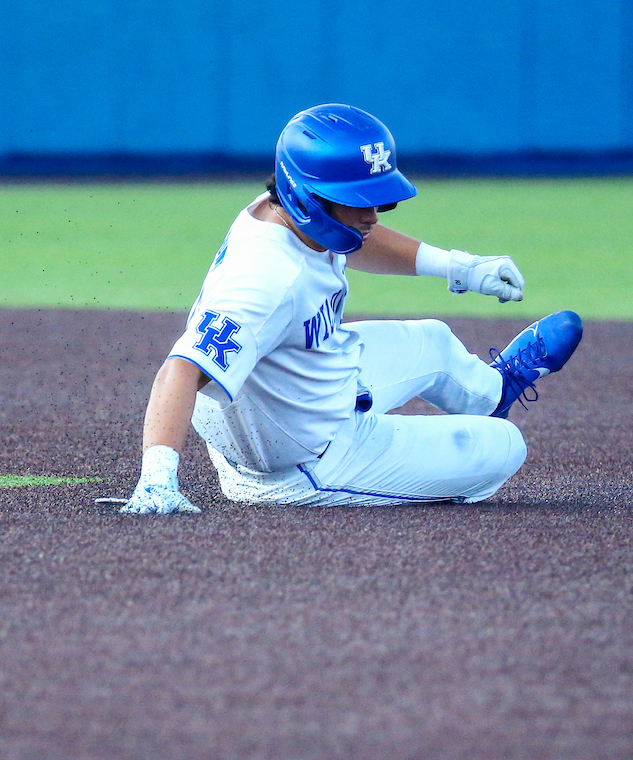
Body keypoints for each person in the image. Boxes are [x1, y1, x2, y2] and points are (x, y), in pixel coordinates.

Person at [120, 103, 582, 514]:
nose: (373, 214)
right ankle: (350, 470)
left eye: (375, 198)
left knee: (434, 341)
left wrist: (459, 267)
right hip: (297, 460)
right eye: (357, 200)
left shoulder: (292, 212)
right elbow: (180, 369)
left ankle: (493, 394)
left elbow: (357, 237)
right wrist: (157, 480)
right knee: (503, 448)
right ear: (308, 199)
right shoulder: (265, 279)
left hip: (302, 387)